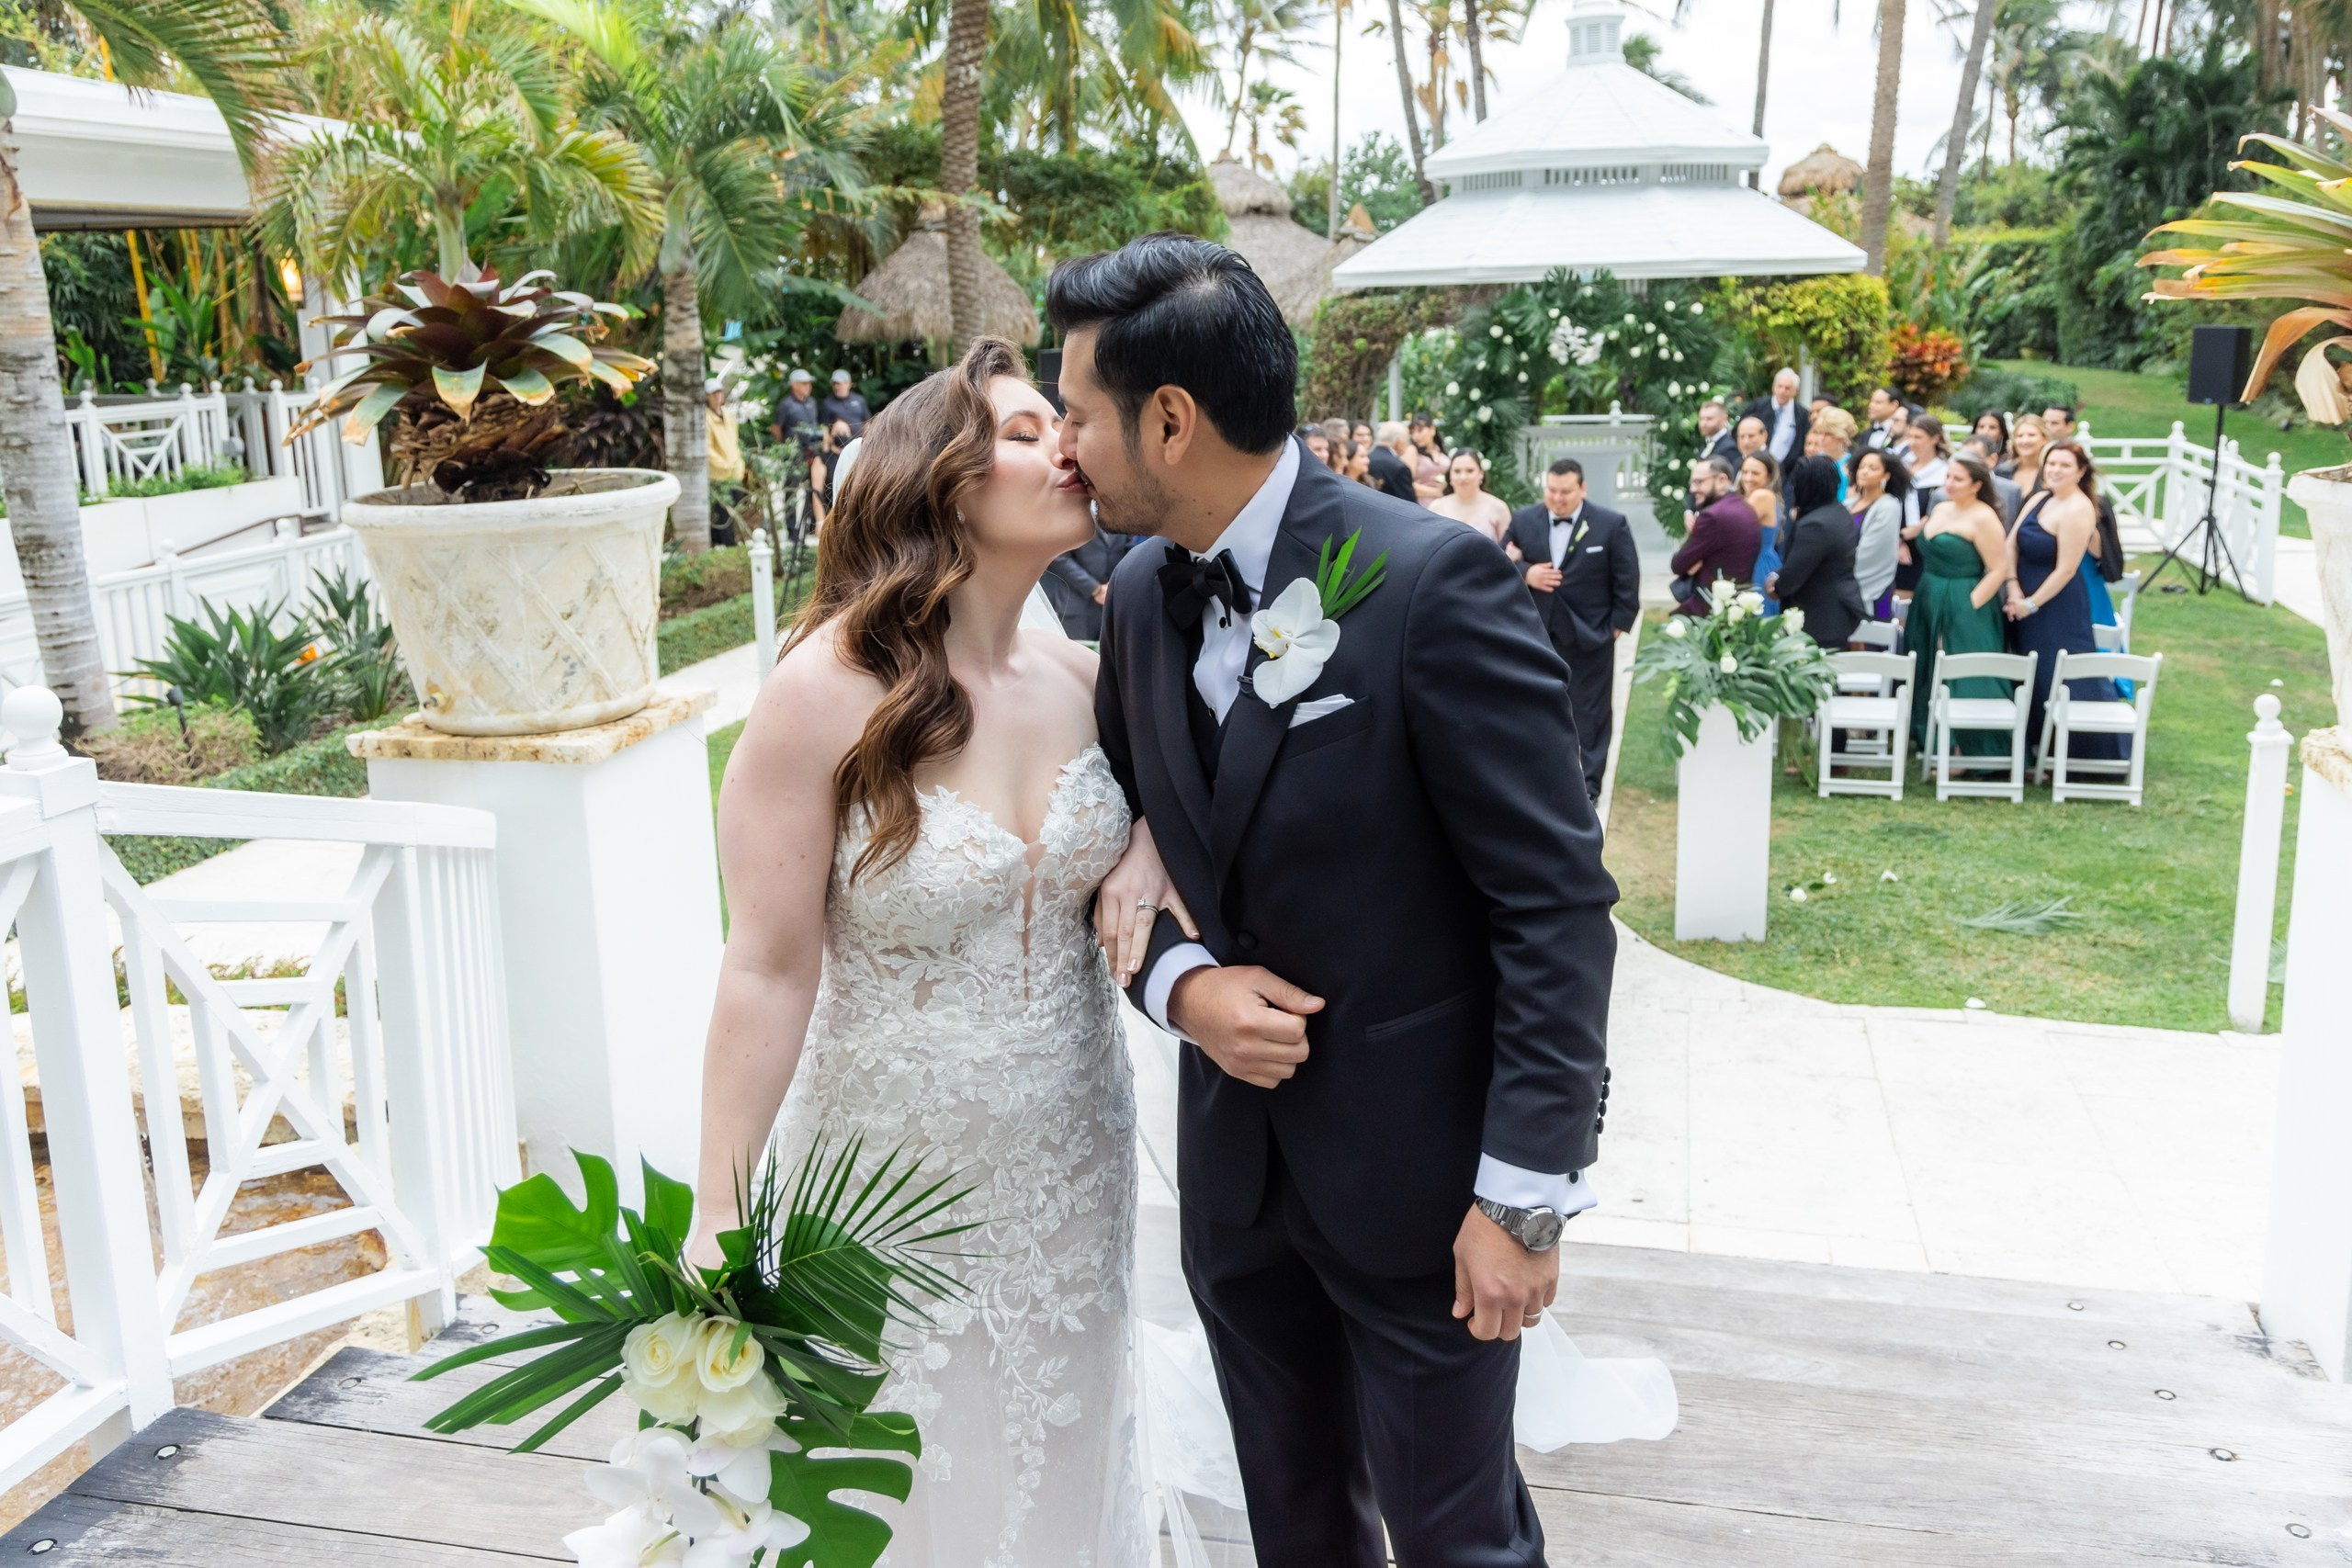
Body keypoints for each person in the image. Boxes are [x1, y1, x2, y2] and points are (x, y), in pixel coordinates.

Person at [1056, 234, 1618, 1567]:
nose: (1069, 445)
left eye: (1079, 412)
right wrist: (1181, 988)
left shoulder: (1431, 584)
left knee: (1458, 1538)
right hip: (1238, 1192)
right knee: (1297, 1532)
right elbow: (1127, 858)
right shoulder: (1136, 596)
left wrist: (1523, 1199)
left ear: (1172, 422)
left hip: (1428, 1198)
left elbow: (1555, 905)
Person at [693, 335, 1193, 1564]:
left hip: (1074, 1166)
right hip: (888, 1181)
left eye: (1056, 424)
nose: (1065, 447)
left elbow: (1204, 815)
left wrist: (1152, 851)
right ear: (942, 482)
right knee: (905, 1491)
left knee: (1062, 1466)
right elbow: (765, 964)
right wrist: (719, 1210)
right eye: (1025, 431)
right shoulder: (824, 689)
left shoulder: (1093, 674)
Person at [1506, 457, 1641, 804]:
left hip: (1591, 635)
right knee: (1535, 706)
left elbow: (1627, 580)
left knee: (1591, 714)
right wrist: (1526, 571)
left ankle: (1590, 787)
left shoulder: (1611, 524)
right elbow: (1498, 562)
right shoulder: (1523, 521)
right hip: (1535, 633)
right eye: (1552, 490)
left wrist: (1617, 627)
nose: (1558, 498)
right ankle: (1538, 778)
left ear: (1582, 488)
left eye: (1566, 491)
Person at [2006, 441, 2128, 764]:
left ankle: (2086, 757)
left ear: (2081, 471)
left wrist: (2030, 604)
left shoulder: (2080, 507)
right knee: (2028, 671)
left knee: (2055, 674)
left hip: (2057, 605)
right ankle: (2035, 749)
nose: (2055, 470)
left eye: (2064, 465)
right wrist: (2013, 588)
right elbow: (2011, 545)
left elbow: (2067, 568)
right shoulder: (2038, 498)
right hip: (2021, 598)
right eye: (2052, 463)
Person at [1904, 455, 2013, 750]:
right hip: (1928, 594)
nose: (1949, 484)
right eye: (1948, 477)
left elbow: (1999, 568)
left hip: (1965, 599)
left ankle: (1969, 744)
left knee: (1963, 667)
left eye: (1958, 479)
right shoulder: (1939, 508)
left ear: (1977, 485)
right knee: (1926, 660)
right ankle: (1931, 734)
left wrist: (1970, 603)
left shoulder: (1984, 517)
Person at [1768, 455, 1867, 649]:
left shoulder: (1815, 525)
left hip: (1820, 619)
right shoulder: (1840, 512)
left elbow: (1795, 572)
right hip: (1839, 613)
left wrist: (1776, 585)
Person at [1672, 455, 1761, 615]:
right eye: (1692, 483)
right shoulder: (1745, 507)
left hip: (1711, 611)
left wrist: (1697, 560)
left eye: (1699, 482)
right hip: (1739, 606)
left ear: (1721, 480)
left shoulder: (1713, 516)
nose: (1693, 489)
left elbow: (1679, 563)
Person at [1042, 524, 1144, 641]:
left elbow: (1130, 551)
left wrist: (1114, 586)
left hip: (1113, 602)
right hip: (1077, 604)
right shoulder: (1074, 514)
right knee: (1076, 654)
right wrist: (1095, 589)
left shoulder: (1119, 516)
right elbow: (1059, 557)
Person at [1847, 446, 1908, 621]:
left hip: (1871, 591)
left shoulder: (1888, 506)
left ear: (1886, 476)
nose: (1864, 471)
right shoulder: (1849, 504)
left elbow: (1870, 554)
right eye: (1862, 466)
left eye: (1873, 468)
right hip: (1844, 585)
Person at [1427, 446, 1514, 547]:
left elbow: (1508, 551)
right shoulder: (1436, 507)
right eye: (1457, 471)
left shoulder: (1498, 508)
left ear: (1481, 473)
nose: (1463, 477)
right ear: (1449, 475)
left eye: (1470, 471)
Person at [1741, 450, 1784, 612]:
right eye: (1745, 472)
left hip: (1758, 565)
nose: (1748, 478)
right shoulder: (1754, 495)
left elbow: (1734, 525)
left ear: (1769, 476)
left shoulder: (1762, 495)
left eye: (1755, 473)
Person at [1741, 367, 1810, 467]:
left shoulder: (1802, 414)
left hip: (1788, 469)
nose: (1782, 391)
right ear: (1774, 387)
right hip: (1756, 464)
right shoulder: (1758, 407)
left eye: (1787, 388)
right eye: (1780, 386)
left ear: (1796, 391)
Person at [1961, 434, 2023, 521]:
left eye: (1975, 457)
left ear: (1992, 459)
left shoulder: (2011, 490)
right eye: (1963, 459)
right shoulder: (1944, 493)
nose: (1968, 464)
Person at [1366, 420, 1419, 502]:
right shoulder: (1399, 468)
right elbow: (1410, 503)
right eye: (1406, 441)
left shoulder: (1367, 459)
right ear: (1399, 442)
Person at [2002, 412, 2048, 492]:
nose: (2025, 441)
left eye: (2031, 435)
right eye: (2020, 436)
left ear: (2044, 439)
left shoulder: (2052, 472)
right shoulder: (2002, 471)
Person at [1408, 414, 1448, 500]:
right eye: (1412, 432)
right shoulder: (1412, 451)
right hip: (1423, 505)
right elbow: (1407, 484)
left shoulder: (1442, 452)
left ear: (1432, 429)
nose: (1415, 436)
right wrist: (1437, 492)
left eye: (1420, 430)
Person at [820, 367, 871, 434]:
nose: (836, 387)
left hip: (860, 440)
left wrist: (868, 439)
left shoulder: (859, 399)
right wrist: (826, 444)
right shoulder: (827, 403)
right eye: (834, 384)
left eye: (839, 383)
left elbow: (866, 422)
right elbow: (824, 427)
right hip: (839, 442)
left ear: (849, 384)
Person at [1863, 385, 1905, 450]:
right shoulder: (1864, 434)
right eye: (1871, 402)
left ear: (1893, 405)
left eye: (1878, 402)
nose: (1871, 406)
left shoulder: (1901, 434)